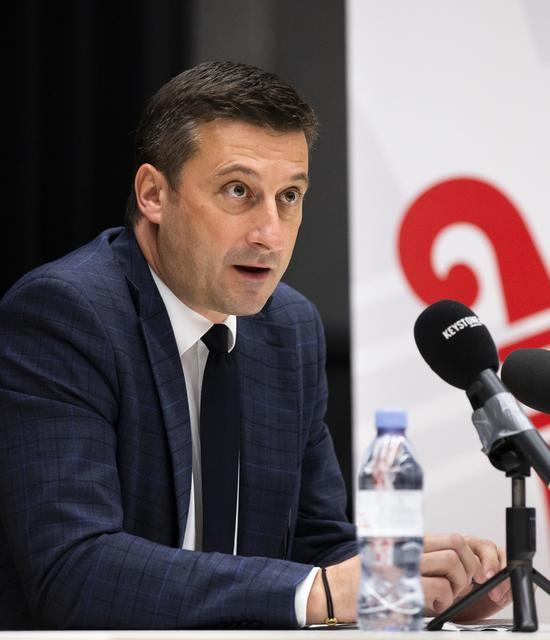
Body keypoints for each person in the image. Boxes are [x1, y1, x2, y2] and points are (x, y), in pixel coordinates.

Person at [0, 61, 511, 629]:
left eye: (289, 196)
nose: (270, 232)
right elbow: (71, 570)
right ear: (153, 195)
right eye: (238, 191)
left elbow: (318, 546)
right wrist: (324, 591)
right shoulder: (66, 314)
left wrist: (409, 583)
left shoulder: (288, 328)